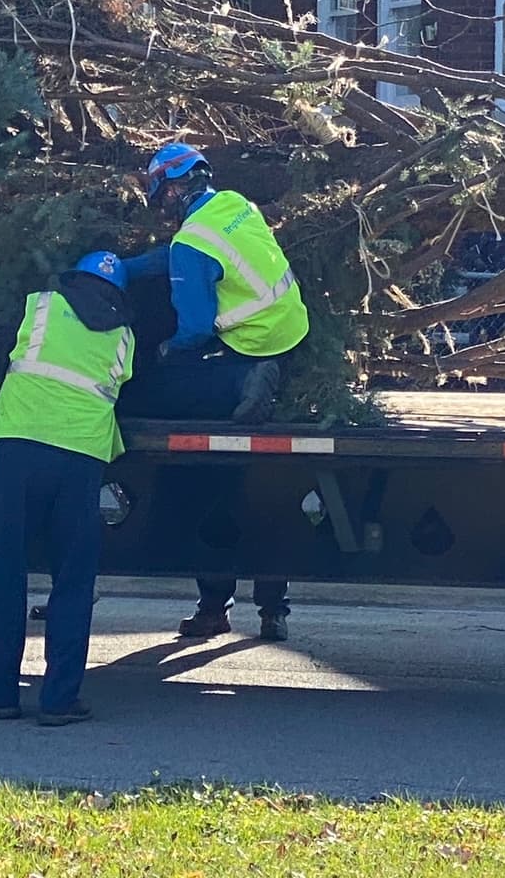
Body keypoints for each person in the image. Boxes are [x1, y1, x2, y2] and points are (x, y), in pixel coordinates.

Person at [119, 142, 310, 643]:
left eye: (161, 196)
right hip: (289, 328)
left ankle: (212, 605)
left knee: (172, 417)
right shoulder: (233, 205)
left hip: (248, 347)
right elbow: (184, 251)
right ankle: (272, 610)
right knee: (258, 492)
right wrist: (131, 267)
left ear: (175, 188)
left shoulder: (191, 245)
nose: (162, 206)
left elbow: (196, 327)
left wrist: (162, 352)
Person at [0, 251, 135, 726]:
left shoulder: (40, 305)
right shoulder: (124, 336)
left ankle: (0, 696)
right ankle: (59, 700)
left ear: (73, 279)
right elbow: (122, 385)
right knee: (73, 581)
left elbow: (1, 349)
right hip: (80, 459)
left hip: (18, 449)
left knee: (5, 574)